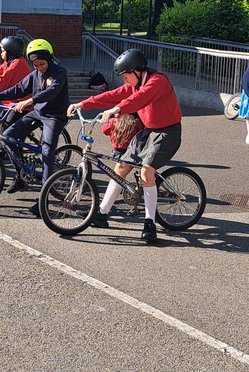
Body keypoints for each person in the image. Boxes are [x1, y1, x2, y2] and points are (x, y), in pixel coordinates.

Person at [69, 48, 181, 243]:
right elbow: (114, 95)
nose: (124, 81)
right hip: (149, 130)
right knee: (120, 168)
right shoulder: (135, 84)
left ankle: (149, 223)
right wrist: (83, 104)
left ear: (137, 71)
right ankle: (102, 214)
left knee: (147, 173)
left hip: (167, 132)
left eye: (125, 76)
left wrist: (117, 109)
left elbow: (138, 99)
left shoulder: (157, 82)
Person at [0, 38, 69, 215]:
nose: (39, 68)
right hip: (38, 112)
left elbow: (51, 92)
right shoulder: (35, 74)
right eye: (35, 65)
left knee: (47, 152)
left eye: (42, 64)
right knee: (7, 137)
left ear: (50, 59)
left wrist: (31, 100)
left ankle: (42, 202)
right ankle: (22, 172)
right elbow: (18, 89)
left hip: (54, 116)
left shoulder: (60, 72)